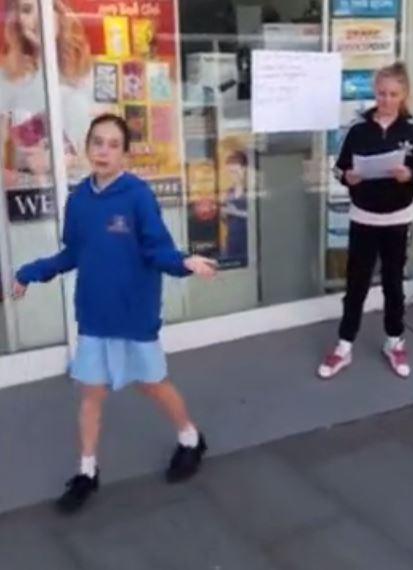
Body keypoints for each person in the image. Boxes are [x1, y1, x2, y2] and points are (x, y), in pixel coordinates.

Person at [12, 113, 217, 513]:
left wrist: (185, 263)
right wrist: (30, 273)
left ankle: (191, 438)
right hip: (94, 316)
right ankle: (87, 472)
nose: (103, 151)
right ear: (87, 147)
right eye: (97, 143)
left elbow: (156, 249)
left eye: (112, 145)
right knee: (91, 393)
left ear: (125, 154)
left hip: (134, 315)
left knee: (151, 383)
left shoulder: (137, 195)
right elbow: (73, 252)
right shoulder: (79, 200)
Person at [318, 62, 413, 380]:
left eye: (393, 94)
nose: (386, 99)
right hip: (364, 217)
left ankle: (394, 341)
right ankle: (344, 345)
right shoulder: (357, 129)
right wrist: (349, 177)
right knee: (356, 284)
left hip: (397, 218)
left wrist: (409, 174)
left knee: (394, 284)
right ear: (374, 92)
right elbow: (339, 168)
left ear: (404, 94)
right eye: (381, 93)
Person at [0, 0, 92, 183]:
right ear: (18, 21)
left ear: (60, 12)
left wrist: (62, 160)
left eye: (46, 8)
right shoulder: (7, 78)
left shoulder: (86, 74)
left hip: (83, 191)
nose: (38, 19)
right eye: (26, 10)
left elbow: (111, 150)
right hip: (30, 199)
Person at [220, 151, 249, 267]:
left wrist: (234, 212)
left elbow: (258, 215)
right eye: (230, 173)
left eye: (236, 172)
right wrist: (223, 213)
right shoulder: (229, 192)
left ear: (244, 170)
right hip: (232, 241)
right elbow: (226, 221)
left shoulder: (251, 192)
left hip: (248, 242)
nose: (233, 176)